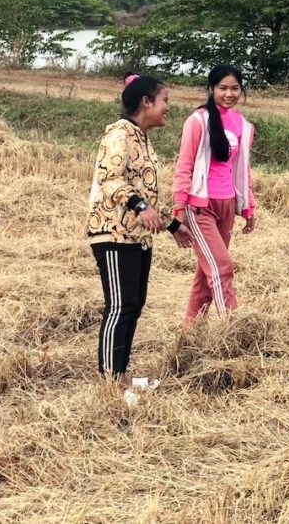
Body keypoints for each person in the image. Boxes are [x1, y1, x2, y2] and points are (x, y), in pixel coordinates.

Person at [86, 73, 191, 394]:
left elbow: (142, 193)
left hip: (136, 236)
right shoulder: (119, 134)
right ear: (146, 102)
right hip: (113, 233)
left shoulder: (140, 137)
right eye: (165, 100)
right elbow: (110, 179)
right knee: (119, 305)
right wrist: (140, 205)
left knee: (133, 304)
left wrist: (172, 225)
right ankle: (109, 383)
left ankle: (121, 376)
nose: (168, 108)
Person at [172, 64, 256, 327]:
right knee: (221, 268)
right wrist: (179, 208)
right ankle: (232, 329)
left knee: (205, 273)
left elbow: (242, 168)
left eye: (234, 88)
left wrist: (248, 207)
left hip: (227, 204)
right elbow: (184, 165)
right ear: (211, 89)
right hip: (200, 207)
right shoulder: (198, 121)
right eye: (222, 88)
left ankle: (190, 331)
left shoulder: (242, 123)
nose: (229, 94)